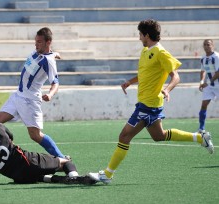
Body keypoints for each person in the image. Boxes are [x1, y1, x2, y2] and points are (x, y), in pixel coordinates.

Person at [88, 19, 214, 184]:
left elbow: (176, 76)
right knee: (159, 136)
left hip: (149, 105)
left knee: (124, 136)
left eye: (140, 34)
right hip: (147, 104)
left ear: (147, 35)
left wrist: (167, 89)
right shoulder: (145, 51)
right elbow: (145, 74)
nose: (139, 38)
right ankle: (199, 138)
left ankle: (107, 174)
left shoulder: (161, 53)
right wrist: (130, 82)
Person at [0, 27, 67, 159]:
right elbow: (50, 54)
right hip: (18, 96)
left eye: (39, 42)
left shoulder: (48, 62)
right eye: (35, 41)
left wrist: (50, 94)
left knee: (35, 136)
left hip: (30, 101)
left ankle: (62, 158)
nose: (36, 44)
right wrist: (56, 53)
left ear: (48, 42)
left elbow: (55, 83)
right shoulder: (37, 52)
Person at [0, 109, 96, 185]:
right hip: (26, 161)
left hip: (16, 176)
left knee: (39, 176)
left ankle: (60, 180)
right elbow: (10, 138)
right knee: (66, 162)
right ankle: (75, 178)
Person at [197, 39, 219, 133]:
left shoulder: (217, 57)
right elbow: (203, 71)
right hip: (210, 85)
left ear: (212, 46)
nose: (207, 46)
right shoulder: (203, 58)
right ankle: (201, 128)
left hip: (217, 84)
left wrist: (209, 82)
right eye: (205, 45)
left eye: (208, 44)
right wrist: (202, 81)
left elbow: (218, 72)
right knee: (204, 105)